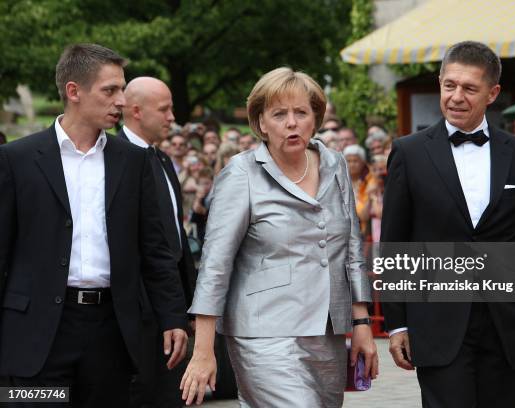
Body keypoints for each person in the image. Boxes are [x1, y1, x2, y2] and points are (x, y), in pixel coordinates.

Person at [381, 41, 515, 408]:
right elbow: (395, 243)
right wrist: (397, 324)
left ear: (492, 93)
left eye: (469, 88)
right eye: (449, 85)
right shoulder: (408, 152)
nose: (456, 96)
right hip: (438, 321)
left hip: (508, 326)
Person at [0, 43, 188, 407]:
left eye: (122, 88)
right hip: (34, 333)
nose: (121, 100)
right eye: (110, 90)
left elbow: (155, 250)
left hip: (111, 333)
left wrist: (173, 316)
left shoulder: (133, 162)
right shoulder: (16, 159)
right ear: (74, 92)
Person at [180, 67, 378, 407]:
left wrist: (361, 322)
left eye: (301, 112)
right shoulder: (241, 174)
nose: (292, 122)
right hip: (262, 333)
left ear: (315, 119)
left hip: (326, 333)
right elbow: (215, 265)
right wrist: (203, 352)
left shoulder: (335, 164)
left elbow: (352, 248)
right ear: (260, 123)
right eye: (279, 114)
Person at [119, 76, 197, 408]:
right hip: (133, 311)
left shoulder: (163, 161)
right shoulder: (115, 160)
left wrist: (190, 305)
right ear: (136, 111)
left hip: (170, 308)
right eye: (164, 110)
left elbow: (176, 238)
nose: (171, 118)